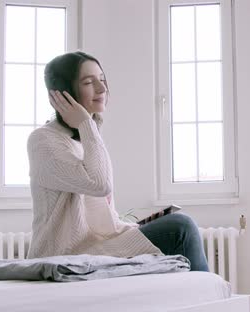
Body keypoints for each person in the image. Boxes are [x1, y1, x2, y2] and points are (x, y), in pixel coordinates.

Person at [26, 51, 208, 271]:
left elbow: (100, 218)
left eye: (102, 79)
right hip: (64, 254)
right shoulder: (43, 141)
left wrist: (134, 228)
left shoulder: (85, 140)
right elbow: (100, 185)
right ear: (63, 94)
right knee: (180, 227)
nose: (102, 89)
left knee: (175, 229)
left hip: (96, 245)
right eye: (88, 82)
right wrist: (87, 123)